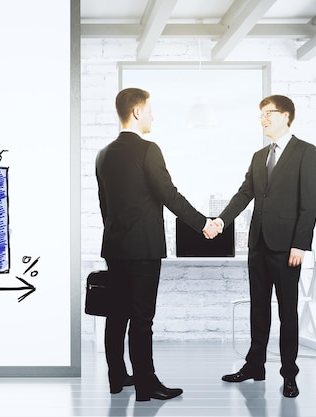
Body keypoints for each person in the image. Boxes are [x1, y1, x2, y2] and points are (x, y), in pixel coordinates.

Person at [95, 88, 220, 402]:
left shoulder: (103, 154)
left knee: (116, 314)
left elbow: (104, 205)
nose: (153, 115)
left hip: (114, 247)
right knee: (141, 319)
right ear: (136, 111)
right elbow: (169, 195)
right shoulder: (148, 150)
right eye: (149, 110)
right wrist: (204, 223)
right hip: (144, 248)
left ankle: (117, 377)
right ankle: (146, 386)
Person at [212, 95, 316, 398]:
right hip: (258, 245)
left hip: (287, 249)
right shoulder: (259, 156)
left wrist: (300, 245)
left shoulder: (305, 152)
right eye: (260, 115)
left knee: (288, 312)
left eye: (268, 113)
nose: (263, 119)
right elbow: (244, 193)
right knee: (258, 310)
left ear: (286, 115)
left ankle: (289, 374)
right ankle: (254, 366)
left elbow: (310, 203)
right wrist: (220, 222)